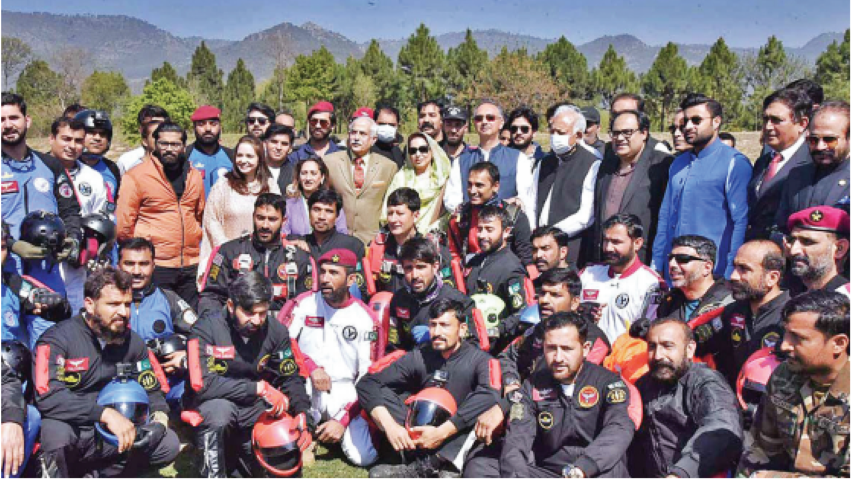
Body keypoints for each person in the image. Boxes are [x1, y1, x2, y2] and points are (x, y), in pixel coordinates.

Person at [34, 267, 180, 477]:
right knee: (56, 435)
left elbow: (153, 390)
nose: (123, 312)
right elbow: (48, 395)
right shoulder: (56, 340)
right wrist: (103, 414)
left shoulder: (134, 342)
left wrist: (159, 420)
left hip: (118, 432)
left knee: (167, 443)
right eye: (113, 304)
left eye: (127, 304)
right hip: (76, 428)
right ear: (90, 305)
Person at [467, 312, 633, 478]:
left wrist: (584, 467)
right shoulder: (533, 385)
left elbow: (619, 428)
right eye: (552, 348)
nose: (558, 358)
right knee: (481, 464)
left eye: (567, 349)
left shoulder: (608, 382)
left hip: (595, 469)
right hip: (549, 471)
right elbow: (518, 438)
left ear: (585, 349)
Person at [183, 271, 311, 478]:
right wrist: (257, 388)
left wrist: (302, 412)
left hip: (255, 407)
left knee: (284, 427)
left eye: (262, 313)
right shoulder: (205, 328)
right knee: (219, 414)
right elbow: (202, 385)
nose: (257, 320)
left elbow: (290, 376)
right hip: (214, 402)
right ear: (232, 306)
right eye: (250, 313)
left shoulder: (276, 330)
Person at [358, 298, 501, 477]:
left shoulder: (480, 360)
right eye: (433, 325)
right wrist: (390, 426)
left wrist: (442, 432)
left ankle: (439, 466)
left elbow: (491, 394)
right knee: (383, 393)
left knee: (483, 405)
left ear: (462, 329)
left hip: (455, 433)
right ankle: (415, 460)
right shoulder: (420, 356)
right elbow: (367, 383)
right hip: (420, 429)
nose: (437, 332)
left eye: (445, 325)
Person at [279, 249, 381, 467]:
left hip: (346, 391)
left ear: (351, 279)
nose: (325, 278)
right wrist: (310, 366)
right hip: (305, 383)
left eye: (334, 273)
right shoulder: (304, 303)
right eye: (323, 272)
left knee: (364, 457)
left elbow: (369, 377)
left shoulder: (365, 318)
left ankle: (330, 430)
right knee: (282, 447)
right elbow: (281, 342)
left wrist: (343, 420)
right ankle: (306, 433)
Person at [737, 290, 849, 477]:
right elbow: (761, 451)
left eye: (798, 338)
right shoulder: (784, 376)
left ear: (838, 343)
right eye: (786, 334)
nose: (784, 346)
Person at [651, 93, 752, 281]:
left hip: (713, 275)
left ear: (716, 122)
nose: (688, 127)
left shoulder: (734, 163)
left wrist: (731, 270)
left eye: (696, 120)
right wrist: (657, 264)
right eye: (685, 122)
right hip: (674, 271)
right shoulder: (678, 164)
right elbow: (665, 217)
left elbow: (741, 222)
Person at [628, 318, 743, 478]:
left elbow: (722, 427)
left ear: (689, 349)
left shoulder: (706, 383)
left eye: (668, 346)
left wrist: (682, 472)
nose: (658, 355)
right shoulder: (643, 385)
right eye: (652, 346)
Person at [2, 92, 83, 307]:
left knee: (50, 337)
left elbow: (70, 211)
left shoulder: (50, 165)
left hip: (46, 270)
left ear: (27, 120)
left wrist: (73, 240)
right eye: (1, 120)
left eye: (13, 118)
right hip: (6, 270)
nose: (8, 125)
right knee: (8, 339)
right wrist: (11, 245)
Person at [116, 122, 205, 307]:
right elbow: (124, 225)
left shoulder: (194, 175)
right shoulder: (136, 176)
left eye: (175, 144)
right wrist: (140, 255)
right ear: (154, 144)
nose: (169, 149)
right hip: (157, 263)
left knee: (191, 320)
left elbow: (199, 214)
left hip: (190, 263)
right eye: (164, 144)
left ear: (183, 146)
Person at [199, 193, 316, 317]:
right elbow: (211, 297)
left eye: (272, 219)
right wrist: (218, 329)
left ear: (284, 221)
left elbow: (307, 303)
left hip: (284, 329)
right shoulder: (228, 252)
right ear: (253, 216)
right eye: (260, 218)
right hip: (237, 329)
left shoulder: (299, 258)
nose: (265, 225)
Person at [118, 237, 196, 410]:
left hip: (166, 382)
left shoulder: (169, 299)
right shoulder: (106, 302)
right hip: (120, 382)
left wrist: (186, 356)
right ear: (118, 266)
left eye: (144, 264)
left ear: (154, 266)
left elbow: (202, 335)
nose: (137, 271)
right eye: (129, 264)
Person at [586, 109, 672, 265]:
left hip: (641, 260)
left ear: (644, 133)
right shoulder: (606, 165)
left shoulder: (661, 165)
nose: (620, 138)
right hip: (605, 258)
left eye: (627, 132)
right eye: (615, 133)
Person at [698, 240, 789, 387]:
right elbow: (696, 340)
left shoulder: (793, 316)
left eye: (744, 269)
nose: (733, 276)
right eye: (734, 267)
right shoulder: (733, 311)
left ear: (772, 278)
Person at [49, 117, 110, 312]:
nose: (72, 146)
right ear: (52, 139)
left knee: (76, 323)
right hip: (43, 264)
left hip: (78, 268)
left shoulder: (93, 178)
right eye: (66, 139)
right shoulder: (39, 171)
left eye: (78, 141)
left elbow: (101, 221)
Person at [198, 135, 279, 282]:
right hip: (228, 258)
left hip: (261, 257)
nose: (243, 160)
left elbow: (278, 218)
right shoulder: (224, 185)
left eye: (249, 156)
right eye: (240, 155)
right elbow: (211, 219)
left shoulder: (270, 186)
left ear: (259, 159)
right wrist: (228, 250)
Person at [580, 214, 666, 343]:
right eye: (606, 240)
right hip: (585, 357)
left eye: (616, 242)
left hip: (625, 359)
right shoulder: (588, 274)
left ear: (637, 243)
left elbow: (652, 332)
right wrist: (579, 311)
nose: (608, 248)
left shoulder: (651, 283)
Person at [534, 104, 601, 266]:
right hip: (538, 247)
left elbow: (585, 216)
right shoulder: (544, 162)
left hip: (570, 246)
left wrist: (552, 234)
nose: (555, 137)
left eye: (561, 133)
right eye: (552, 131)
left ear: (578, 135)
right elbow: (531, 200)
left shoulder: (591, 163)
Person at [444, 101, 536, 217]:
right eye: (479, 118)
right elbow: (452, 199)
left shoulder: (518, 159)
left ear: (501, 123)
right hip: (470, 226)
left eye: (490, 118)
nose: (484, 122)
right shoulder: (461, 161)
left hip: (506, 227)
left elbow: (527, 197)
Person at [746, 88, 813, 241]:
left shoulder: (810, 163)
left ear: (802, 123)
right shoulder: (763, 162)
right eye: (765, 119)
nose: (768, 127)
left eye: (776, 120)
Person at [386, 237, 475, 352]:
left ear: (435, 266)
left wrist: (438, 335)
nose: (415, 275)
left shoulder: (459, 302)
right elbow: (394, 345)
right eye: (409, 268)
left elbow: (473, 348)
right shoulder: (399, 299)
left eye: (421, 267)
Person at [325, 115, 398, 245]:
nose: (356, 138)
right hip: (337, 238)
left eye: (363, 134)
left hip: (372, 240)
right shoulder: (330, 162)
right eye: (353, 132)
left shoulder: (388, 167)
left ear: (373, 139)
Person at [776, 101, 850, 227]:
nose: (820, 146)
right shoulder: (797, 176)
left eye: (829, 140)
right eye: (813, 140)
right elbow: (780, 225)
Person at [448, 162, 534, 269]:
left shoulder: (514, 216)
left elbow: (526, 257)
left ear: (495, 186)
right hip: (470, 277)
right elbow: (453, 255)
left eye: (479, 185)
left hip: (504, 275)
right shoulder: (460, 216)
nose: (472, 190)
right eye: (470, 184)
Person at [367, 188, 453, 295]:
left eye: (400, 213)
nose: (393, 219)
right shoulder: (377, 247)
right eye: (390, 213)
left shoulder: (433, 250)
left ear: (416, 215)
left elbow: (448, 290)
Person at [463, 205, 529, 318]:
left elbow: (520, 313)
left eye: (489, 230)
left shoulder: (511, 267)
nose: (482, 235)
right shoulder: (474, 261)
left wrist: (497, 330)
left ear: (506, 232)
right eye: (480, 229)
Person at [382, 133, 451, 234]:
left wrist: (433, 229)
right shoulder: (401, 178)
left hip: (433, 237)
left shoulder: (443, 178)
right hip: (403, 237)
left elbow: (449, 212)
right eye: (413, 151)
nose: (418, 154)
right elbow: (388, 209)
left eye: (423, 149)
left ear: (432, 151)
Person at [656, 235, 734, 322]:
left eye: (683, 259)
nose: (672, 264)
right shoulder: (669, 301)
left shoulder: (729, 303)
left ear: (707, 267)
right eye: (670, 258)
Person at [784, 206, 849, 293]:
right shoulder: (793, 293)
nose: (793, 250)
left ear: (839, 249)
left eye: (807, 241)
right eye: (791, 240)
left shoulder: (846, 300)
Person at [282, 157, 348, 236]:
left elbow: (342, 233)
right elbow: (284, 235)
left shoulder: (333, 203)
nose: (308, 178)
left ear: (322, 177)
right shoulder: (289, 205)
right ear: (299, 177)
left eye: (313, 173)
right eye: (304, 173)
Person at [186, 105, 234, 199]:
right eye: (201, 124)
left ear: (220, 127)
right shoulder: (185, 156)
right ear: (194, 128)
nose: (208, 129)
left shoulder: (232, 156)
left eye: (213, 124)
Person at [74, 110, 121, 204]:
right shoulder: (66, 166)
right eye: (91, 132)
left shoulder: (112, 168)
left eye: (102, 134)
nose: (97, 138)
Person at [116, 104, 169, 176]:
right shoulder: (127, 161)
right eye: (150, 125)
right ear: (141, 129)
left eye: (161, 125)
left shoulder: (177, 160)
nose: (156, 129)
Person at [372, 104, 405, 169]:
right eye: (382, 124)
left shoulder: (401, 152)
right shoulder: (366, 150)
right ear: (374, 123)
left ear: (397, 126)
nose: (387, 128)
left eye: (391, 125)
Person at [265, 123, 296, 188]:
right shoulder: (254, 169)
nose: (278, 147)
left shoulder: (296, 173)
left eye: (284, 144)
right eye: (274, 142)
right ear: (265, 143)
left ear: (290, 147)